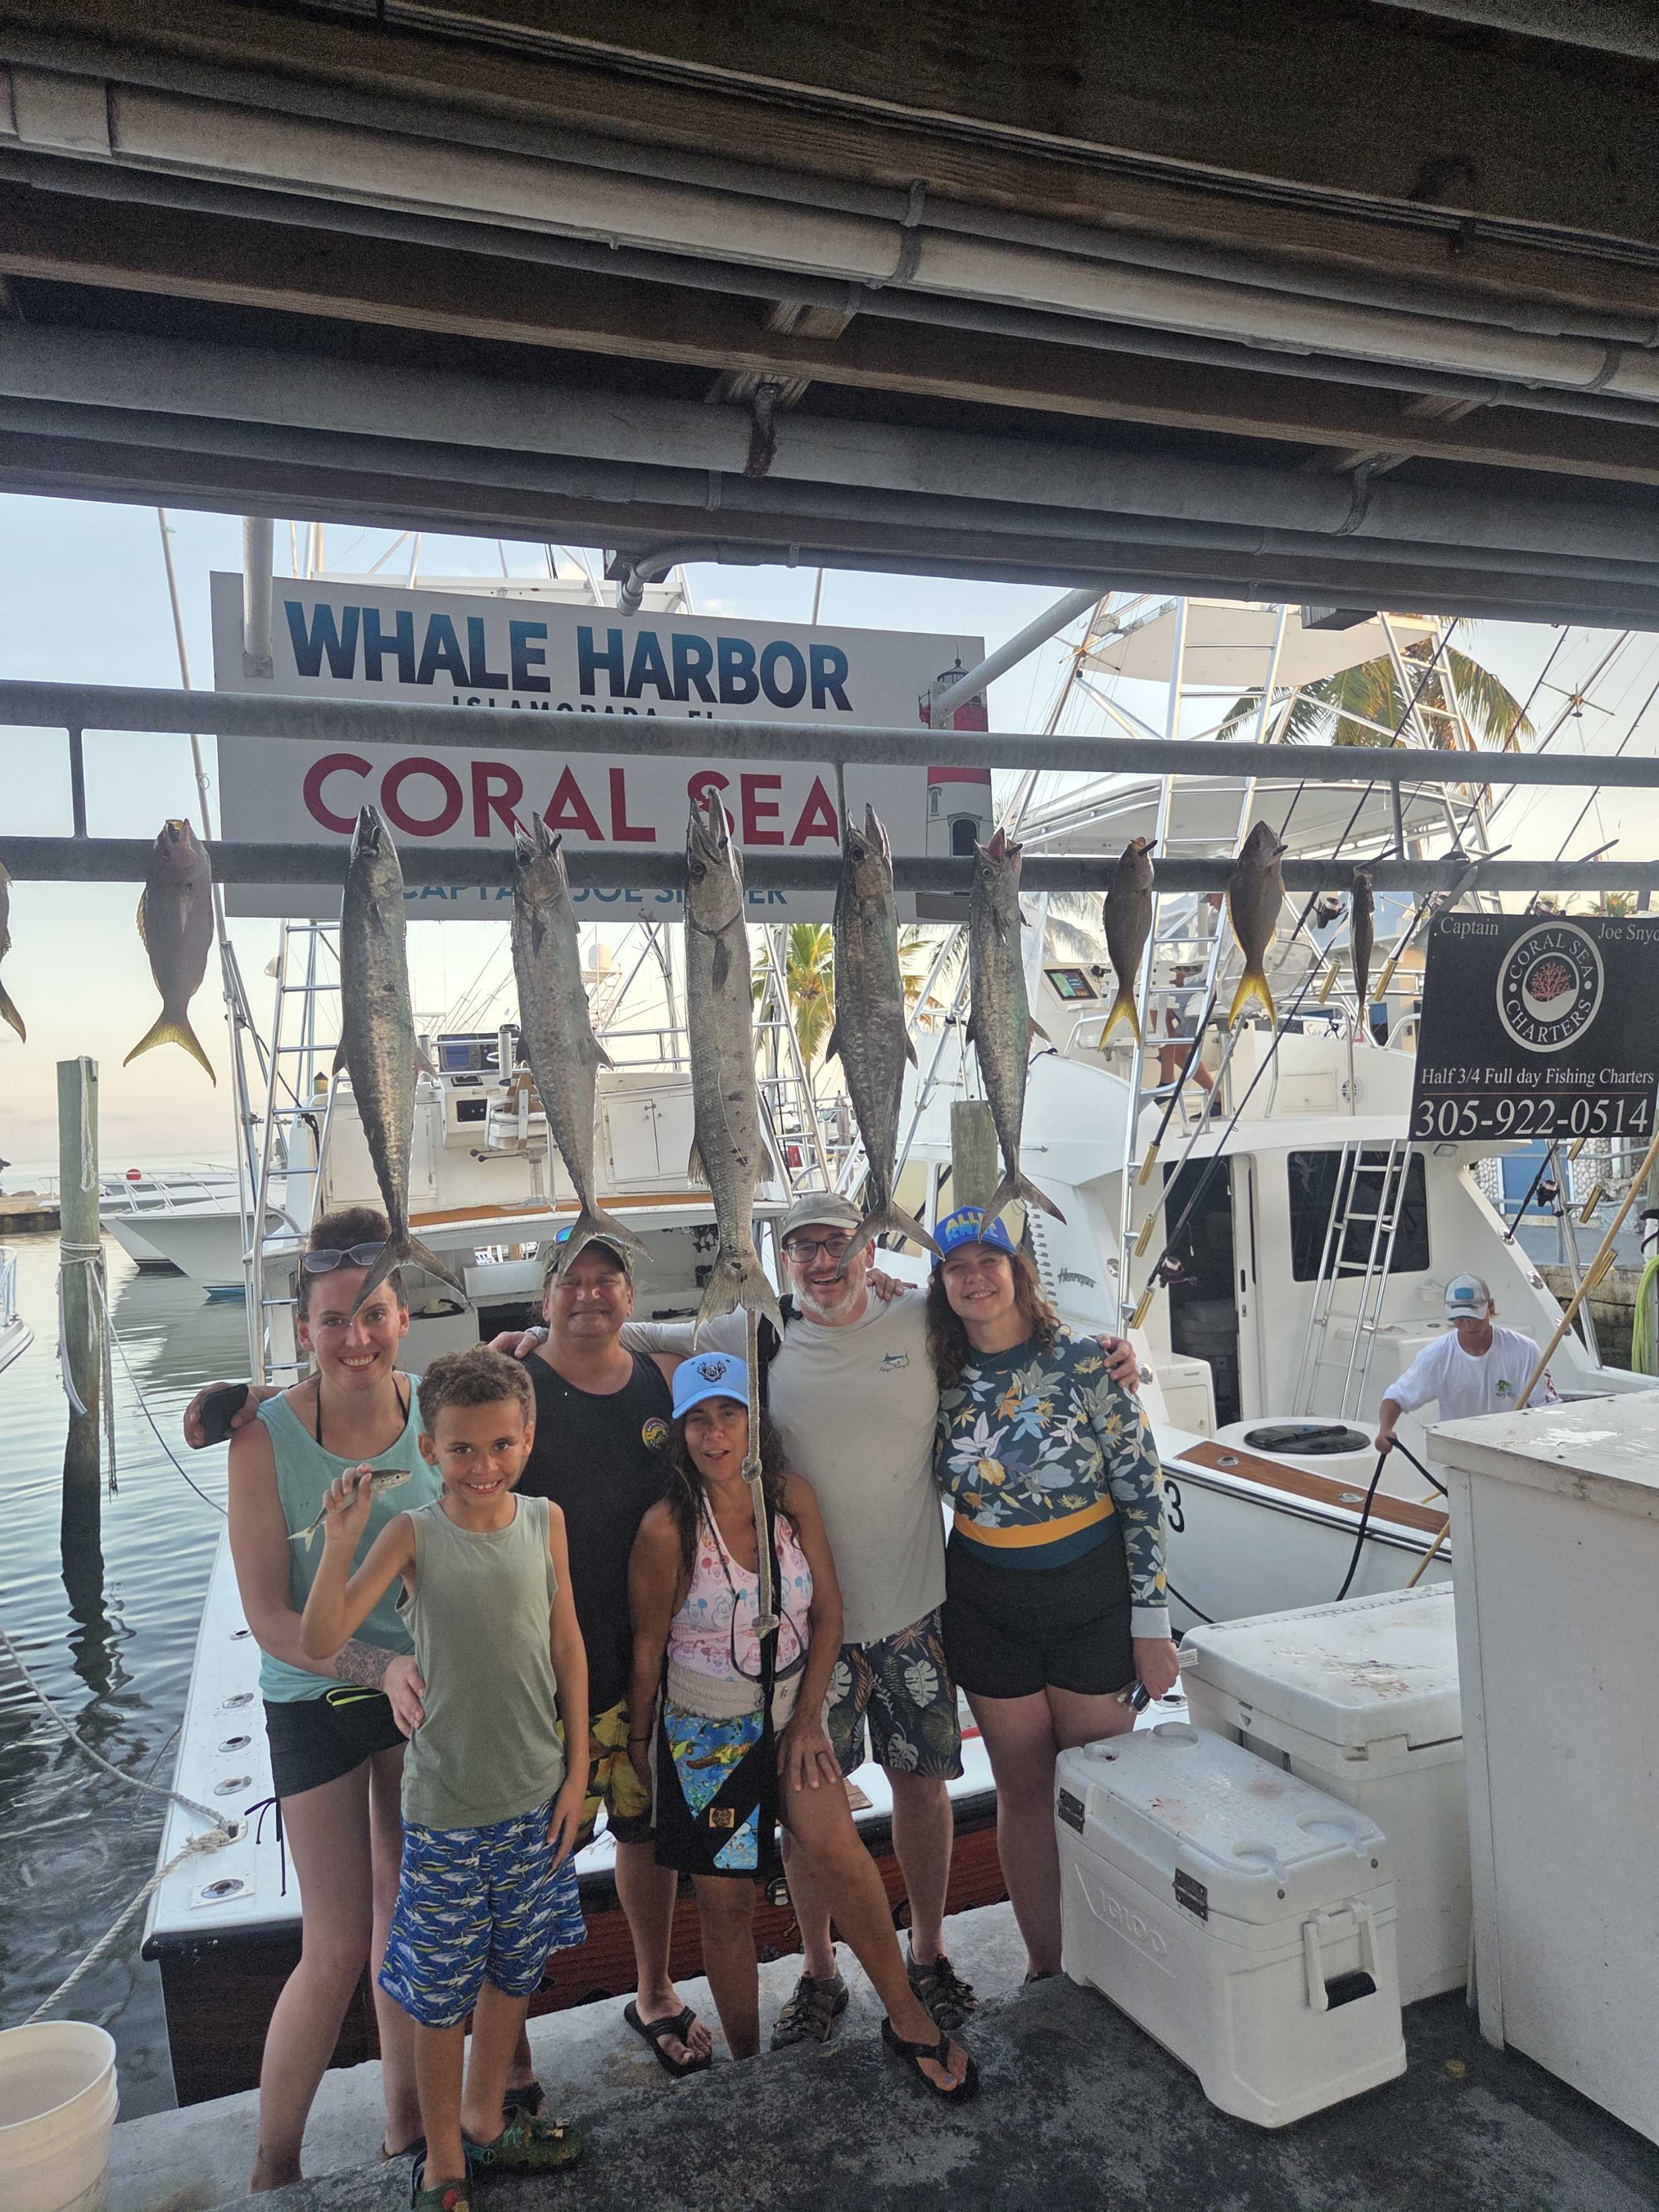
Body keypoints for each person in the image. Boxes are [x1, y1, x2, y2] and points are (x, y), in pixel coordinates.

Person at [593, 1189, 1139, 2045]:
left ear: (870, 1248)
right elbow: (631, 1334)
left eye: (838, 1244)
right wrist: (527, 1343)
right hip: (812, 1636)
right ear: (781, 1262)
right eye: (803, 1248)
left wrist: (1111, 1354)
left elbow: (1009, 1328)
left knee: (922, 1788)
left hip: (916, 1610)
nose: (823, 1263)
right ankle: (819, 1968)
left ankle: (929, 1949)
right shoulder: (755, 1332)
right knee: (814, 1816)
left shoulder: (920, 1317)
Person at [627, 1352, 977, 2099]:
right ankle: (750, 2069)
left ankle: (906, 2017)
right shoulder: (666, 1530)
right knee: (725, 1902)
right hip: (707, 1736)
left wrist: (810, 1718)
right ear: (679, 1433)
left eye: (729, 1415)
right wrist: (638, 1749)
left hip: (792, 1713)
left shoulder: (790, 1498)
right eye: (698, 1420)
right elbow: (647, 1648)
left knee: (839, 1853)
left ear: (755, 1425)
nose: (715, 1434)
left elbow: (829, 1615)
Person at [301, 1347, 589, 2212]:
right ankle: (442, 2160)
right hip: (447, 1814)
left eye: (500, 1445)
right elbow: (322, 1638)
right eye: (460, 1448)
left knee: (514, 1968)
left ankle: (486, 2115)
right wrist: (339, 1543)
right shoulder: (411, 1535)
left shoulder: (546, 1521)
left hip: (537, 1798)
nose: (482, 1465)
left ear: (527, 1439)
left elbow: (567, 1644)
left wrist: (578, 1767)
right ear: (429, 1451)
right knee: (437, 1994)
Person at [225, 1205, 435, 2192]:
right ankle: (274, 2166)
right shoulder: (263, 1439)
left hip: (418, 1687)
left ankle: (406, 2125)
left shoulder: (435, 1410)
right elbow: (271, 1617)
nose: (356, 1338)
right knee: (338, 1941)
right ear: (304, 1326)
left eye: (374, 1314)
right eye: (334, 1319)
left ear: (404, 1316)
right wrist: (373, 1668)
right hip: (316, 1689)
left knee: (408, 1911)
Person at [926, 1205, 1178, 1984]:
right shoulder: (931, 1377)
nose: (974, 1278)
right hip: (985, 1602)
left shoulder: (1084, 1361)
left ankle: (1118, 1964)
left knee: (1097, 1784)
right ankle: (1045, 1964)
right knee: (1024, 1790)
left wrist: (1152, 1624)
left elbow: (1141, 1492)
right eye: (956, 1267)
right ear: (940, 1284)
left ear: (1017, 1271)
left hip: (1090, 1599)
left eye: (989, 1261)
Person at [1375, 1273, 1555, 1453]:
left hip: (1512, 1449)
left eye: (1475, 1316)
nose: (1469, 1325)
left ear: (1491, 1307)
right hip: (1458, 1451)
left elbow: (1548, 1407)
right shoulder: (1435, 1356)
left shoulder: (1526, 1350)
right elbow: (1396, 1398)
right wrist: (1385, 1430)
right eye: (1460, 1318)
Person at [1157, 964, 1216, 1098]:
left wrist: (1183, 979)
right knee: (1178, 1053)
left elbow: (1212, 969)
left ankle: (1167, 1079)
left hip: (1206, 988)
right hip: (1203, 985)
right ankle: (1217, 1098)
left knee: (1158, 1000)